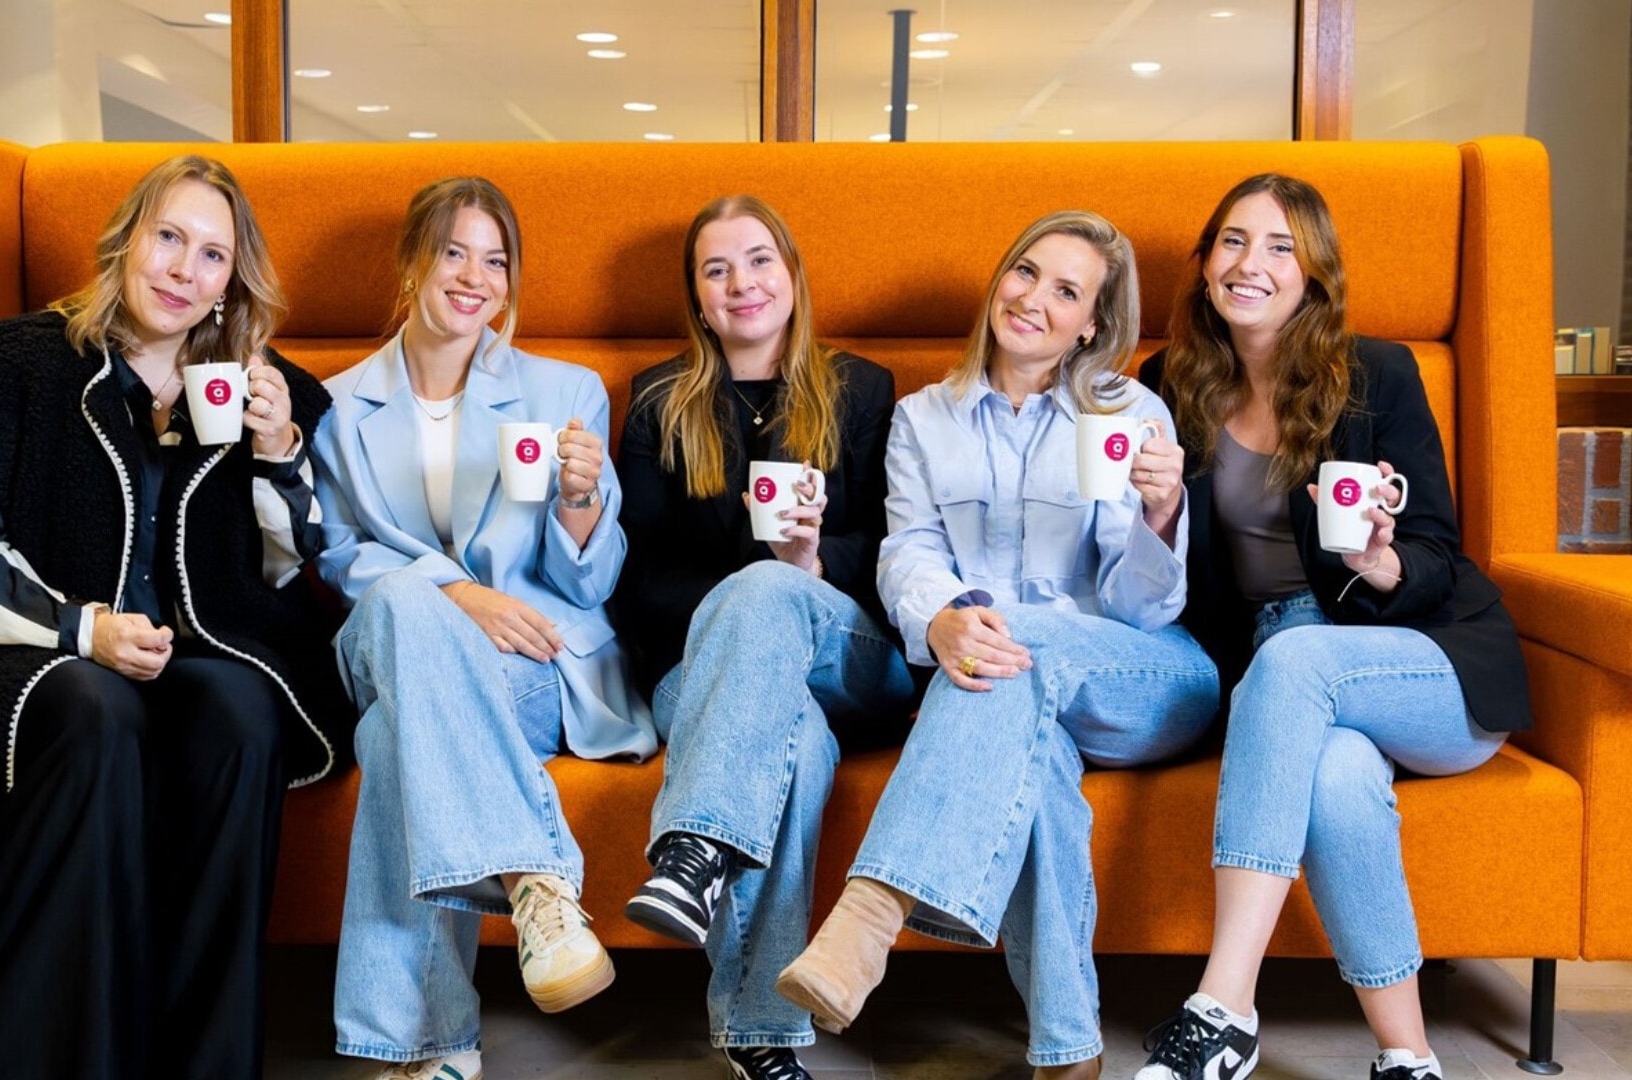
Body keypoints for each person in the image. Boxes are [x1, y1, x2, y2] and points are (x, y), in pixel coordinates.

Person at [0, 155, 354, 1079]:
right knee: (98, 713)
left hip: (195, 644)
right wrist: (84, 632)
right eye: (169, 238)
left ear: (233, 279)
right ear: (126, 241)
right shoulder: (11, 364)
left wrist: (280, 450)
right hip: (23, 650)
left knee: (244, 716)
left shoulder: (252, 383)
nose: (184, 270)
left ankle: (205, 1062)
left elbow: (288, 568)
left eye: (213, 255)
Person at [775, 210, 1220, 1079]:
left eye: (1066, 291)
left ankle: (871, 912)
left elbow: (1144, 609)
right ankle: (1068, 1050)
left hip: (1143, 677)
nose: (1034, 300)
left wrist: (1162, 516)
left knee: (1007, 646)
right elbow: (908, 550)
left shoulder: (1129, 412)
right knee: (1022, 729)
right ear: (998, 281)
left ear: (1091, 323)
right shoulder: (921, 419)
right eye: (1025, 273)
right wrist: (937, 619)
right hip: (1003, 684)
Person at [1132, 174, 1532, 1080]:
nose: (1252, 264)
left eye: (1281, 247)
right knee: (1342, 777)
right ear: (1204, 267)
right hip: (1287, 676)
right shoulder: (1168, 385)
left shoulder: (1378, 373)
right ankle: (1410, 1058)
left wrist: (1377, 562)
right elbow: (1176, 576)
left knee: (1299, 657)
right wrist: (1154, 519)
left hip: (1426, 663)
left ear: (1314, 275)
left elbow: (1436, 548)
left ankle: (1225, 1004)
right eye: (1234, 242)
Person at [313, 176, 656, 1080]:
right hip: (388, 642)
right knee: (395, 602)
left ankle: (424, 1049)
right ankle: (540, 877)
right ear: (413, 263)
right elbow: (340, 557)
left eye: (495, 260)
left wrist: (583, 502)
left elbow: (590, 580)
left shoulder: (564, 390)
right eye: (454, 253)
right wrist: (455, 596)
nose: (474, 278)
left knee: (396, 738)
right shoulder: (338, 407)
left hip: (532, 662)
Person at [613, 195, 916, 1080]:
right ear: (698, 300)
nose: (741, 284)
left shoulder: (862, 389)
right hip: (702, 674)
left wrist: (812, 563)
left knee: (770, 593)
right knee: (792, 746)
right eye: (717, 270)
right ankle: (758, 1035)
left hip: (848, 655)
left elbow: (898, 548)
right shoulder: (658, 403)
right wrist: (746, 601)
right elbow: (638, 584)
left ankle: (693, 843)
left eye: (757, 261)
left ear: (792, 275)